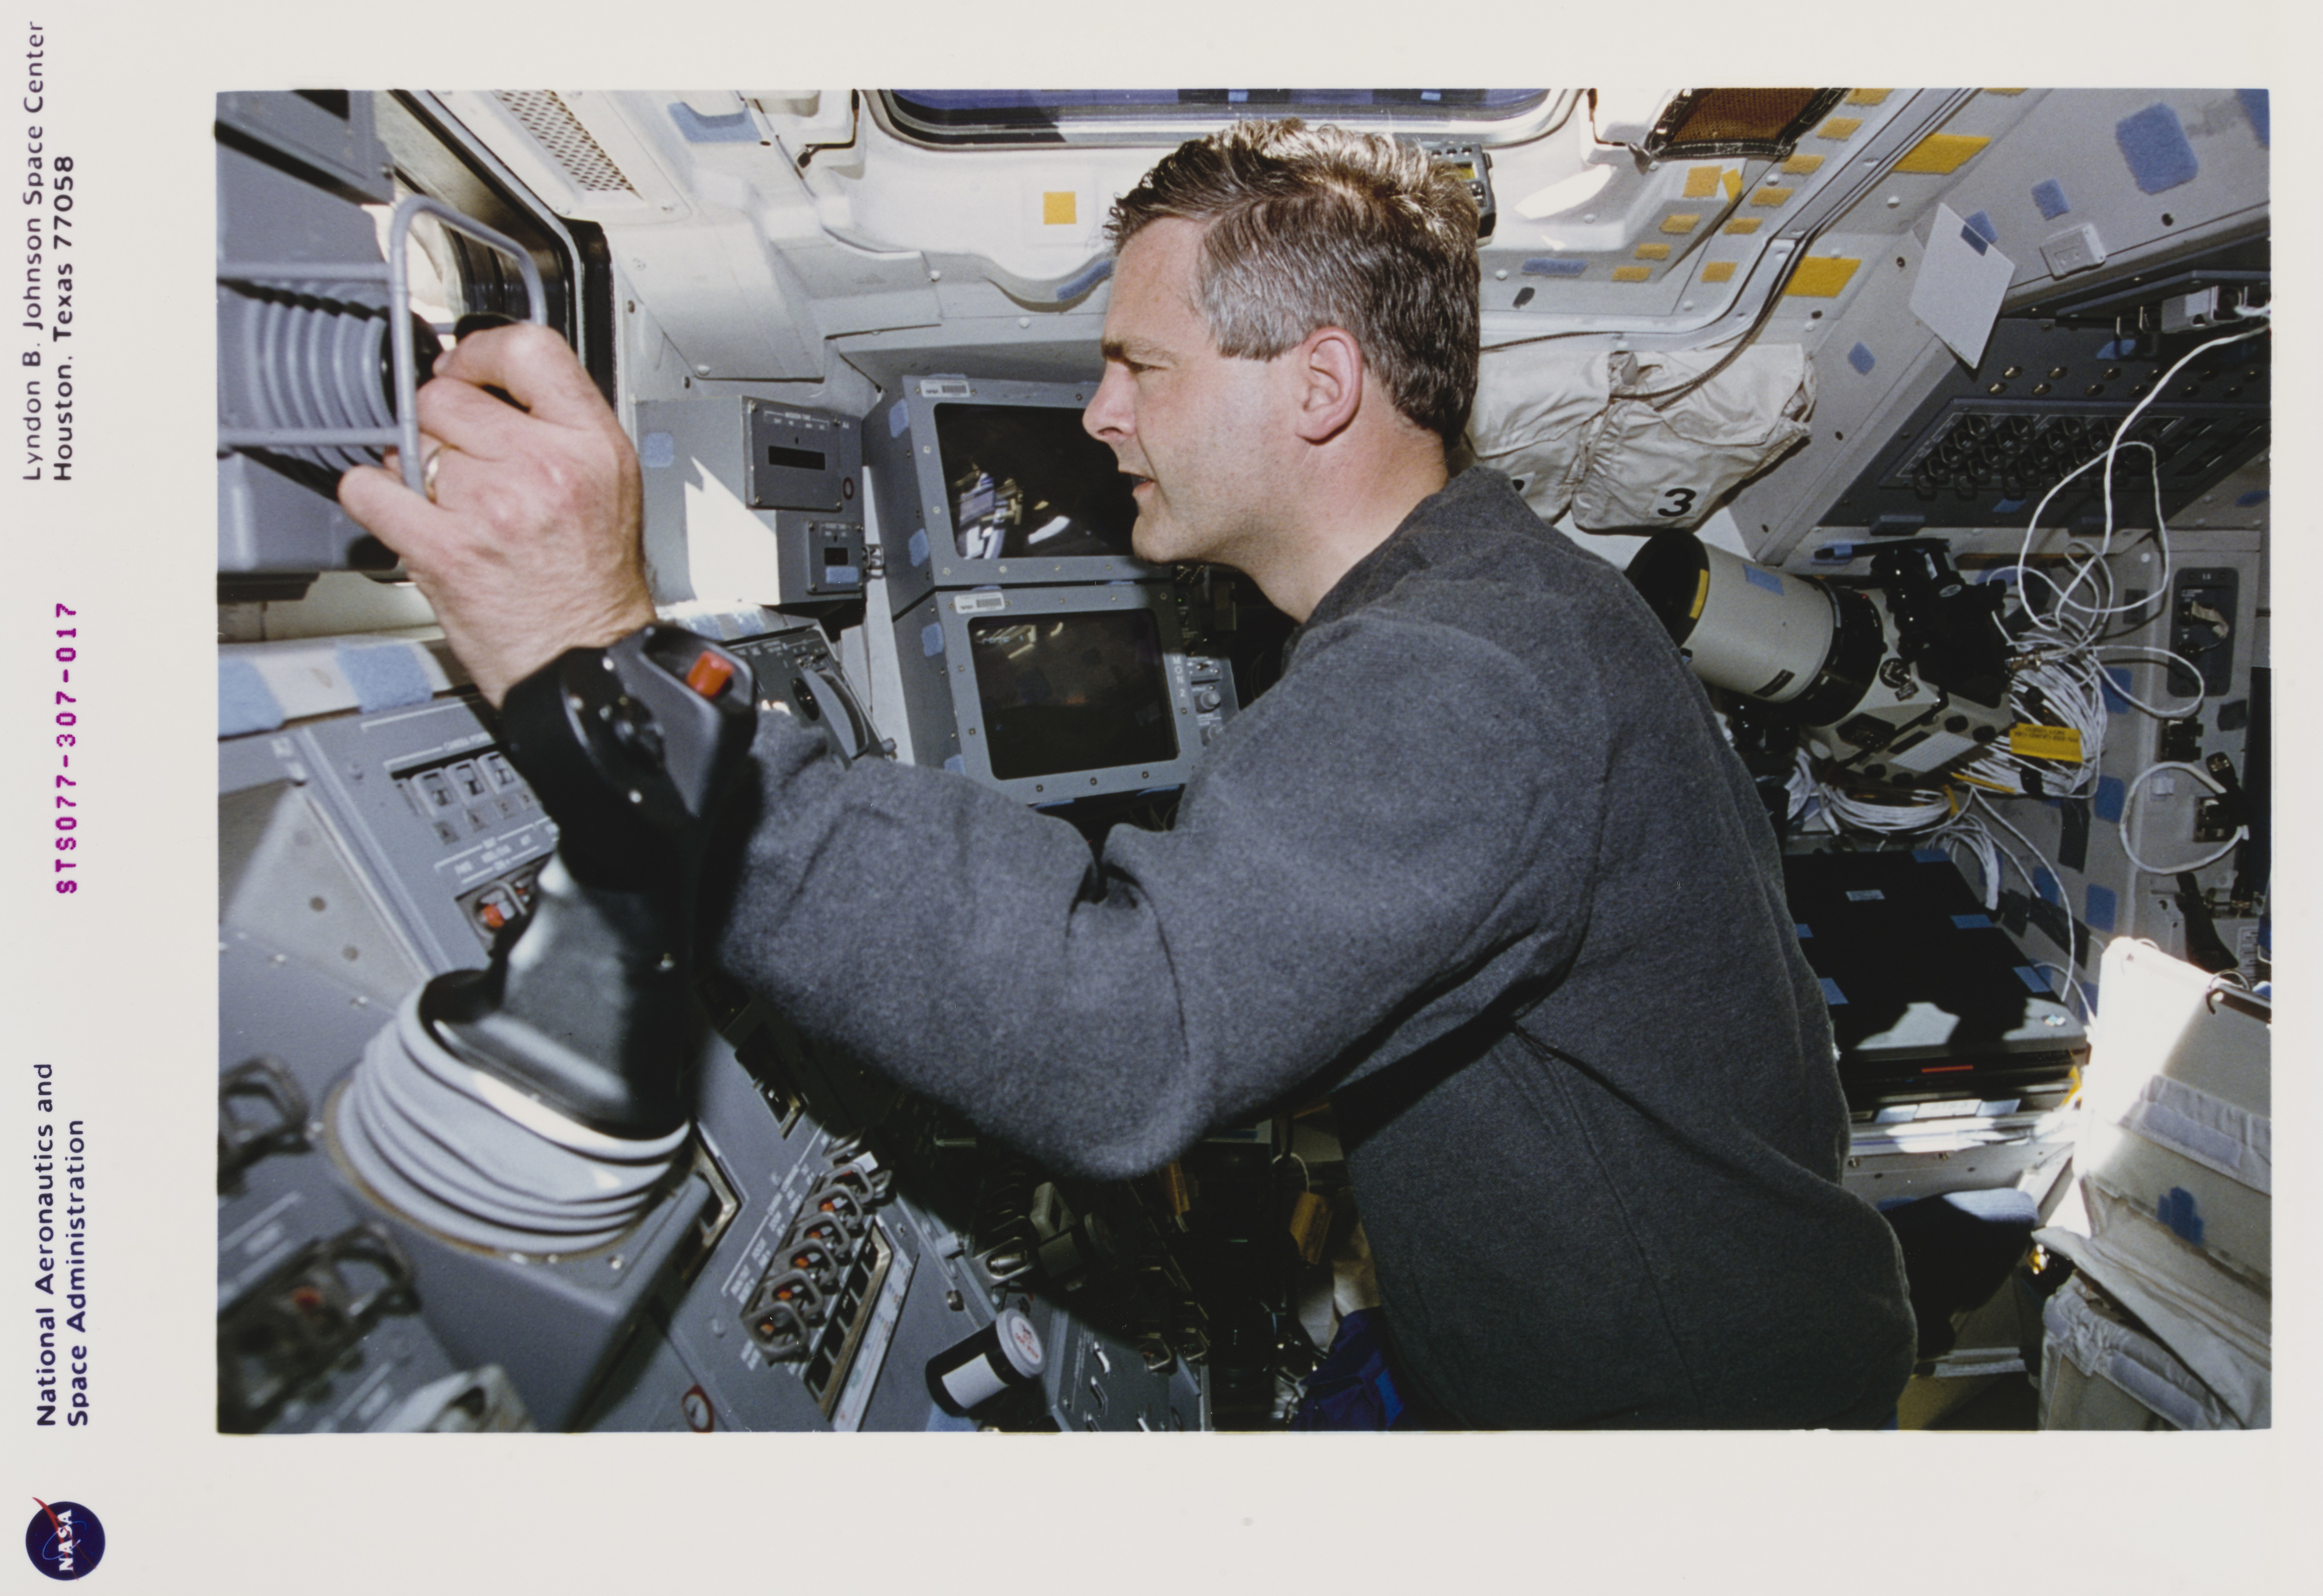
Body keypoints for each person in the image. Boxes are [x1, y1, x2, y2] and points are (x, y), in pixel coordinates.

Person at [341, 118, 1915, 1428]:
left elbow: (1124, 1036)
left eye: (1138, 368)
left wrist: (609, 671)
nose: (1098, 416)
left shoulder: (1462, 669)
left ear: (1316, 386)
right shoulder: (1479, 602)